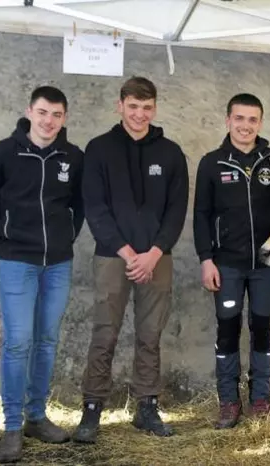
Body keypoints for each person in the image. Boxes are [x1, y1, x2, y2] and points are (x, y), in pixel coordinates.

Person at [72, 76, 189, 443]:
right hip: (112, 258)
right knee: (104, 333)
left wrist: (153, 253)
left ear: (155, 108)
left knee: (150, 336)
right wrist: (127, 253)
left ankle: (147, 407)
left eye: (147, 107)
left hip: (158, 258)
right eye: (133, 106)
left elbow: (176, 210)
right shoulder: (99, 149)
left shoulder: (171, 153)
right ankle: (92, 409)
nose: (140, 114)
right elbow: (96, 208)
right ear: (120, 106)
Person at [0, 86, 85, 463]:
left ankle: (37, 416)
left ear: (64, 118)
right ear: (29, 111)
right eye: (42, 112)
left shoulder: (73, 157)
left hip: (57, 263)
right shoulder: (3, 153)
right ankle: (12, 425)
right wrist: (4, 243)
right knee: (18, 341)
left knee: (47, 340)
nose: (48, 120)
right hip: (16, 262)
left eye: (56, 114)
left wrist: (65, 238)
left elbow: (79, 207)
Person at [193, 93, 270, 429]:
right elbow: (201, 215)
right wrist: (207, 260)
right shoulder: (212, 162)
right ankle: (229, 402)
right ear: (228, 120)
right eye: (239, 118)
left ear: (260, 123)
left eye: (252, 119)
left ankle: (260, 397)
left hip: (266, 267)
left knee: (262, 329)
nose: (245, 126)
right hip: (227, 266)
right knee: (228, 330)